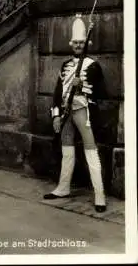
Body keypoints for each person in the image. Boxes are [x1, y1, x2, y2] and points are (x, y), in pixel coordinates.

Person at [43, 14, 107, 213]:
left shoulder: (93, 66)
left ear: (85, 43)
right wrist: (55, 115)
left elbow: (101, 93)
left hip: (83, 111)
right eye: (76, 43)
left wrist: (82, 88)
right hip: (66, 112)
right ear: (72, 44)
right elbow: (57, 92)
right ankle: (63, 188)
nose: (78, 45)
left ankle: (100, 195)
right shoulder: (66, 65)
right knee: (67, 151)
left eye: (81, 42)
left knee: (91, 151)